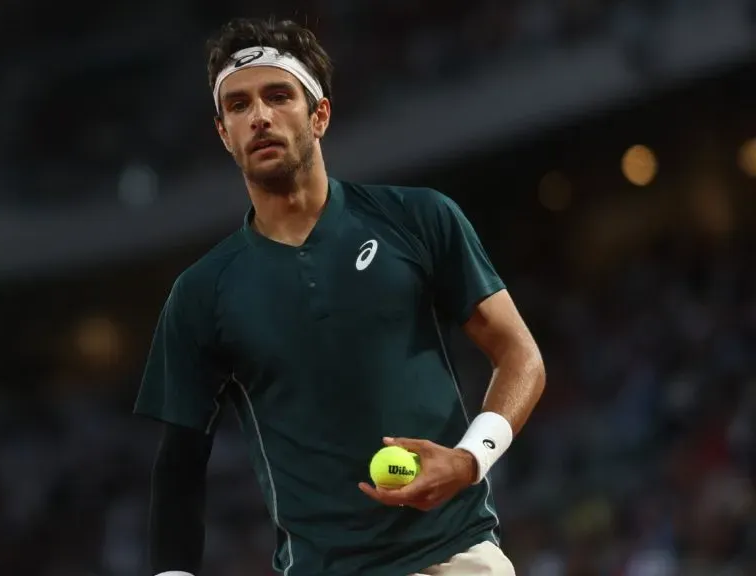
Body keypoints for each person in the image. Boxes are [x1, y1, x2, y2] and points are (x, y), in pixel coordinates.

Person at [134, 16, 546, 576]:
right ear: (224, 133)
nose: (259, 117)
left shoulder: (418, 218)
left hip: (458, 556)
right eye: (238, 105)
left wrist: (469, 460)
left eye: (278, 96)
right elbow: (179, 465)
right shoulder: (200, 293)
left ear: (320, 115)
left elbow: (520, 355)